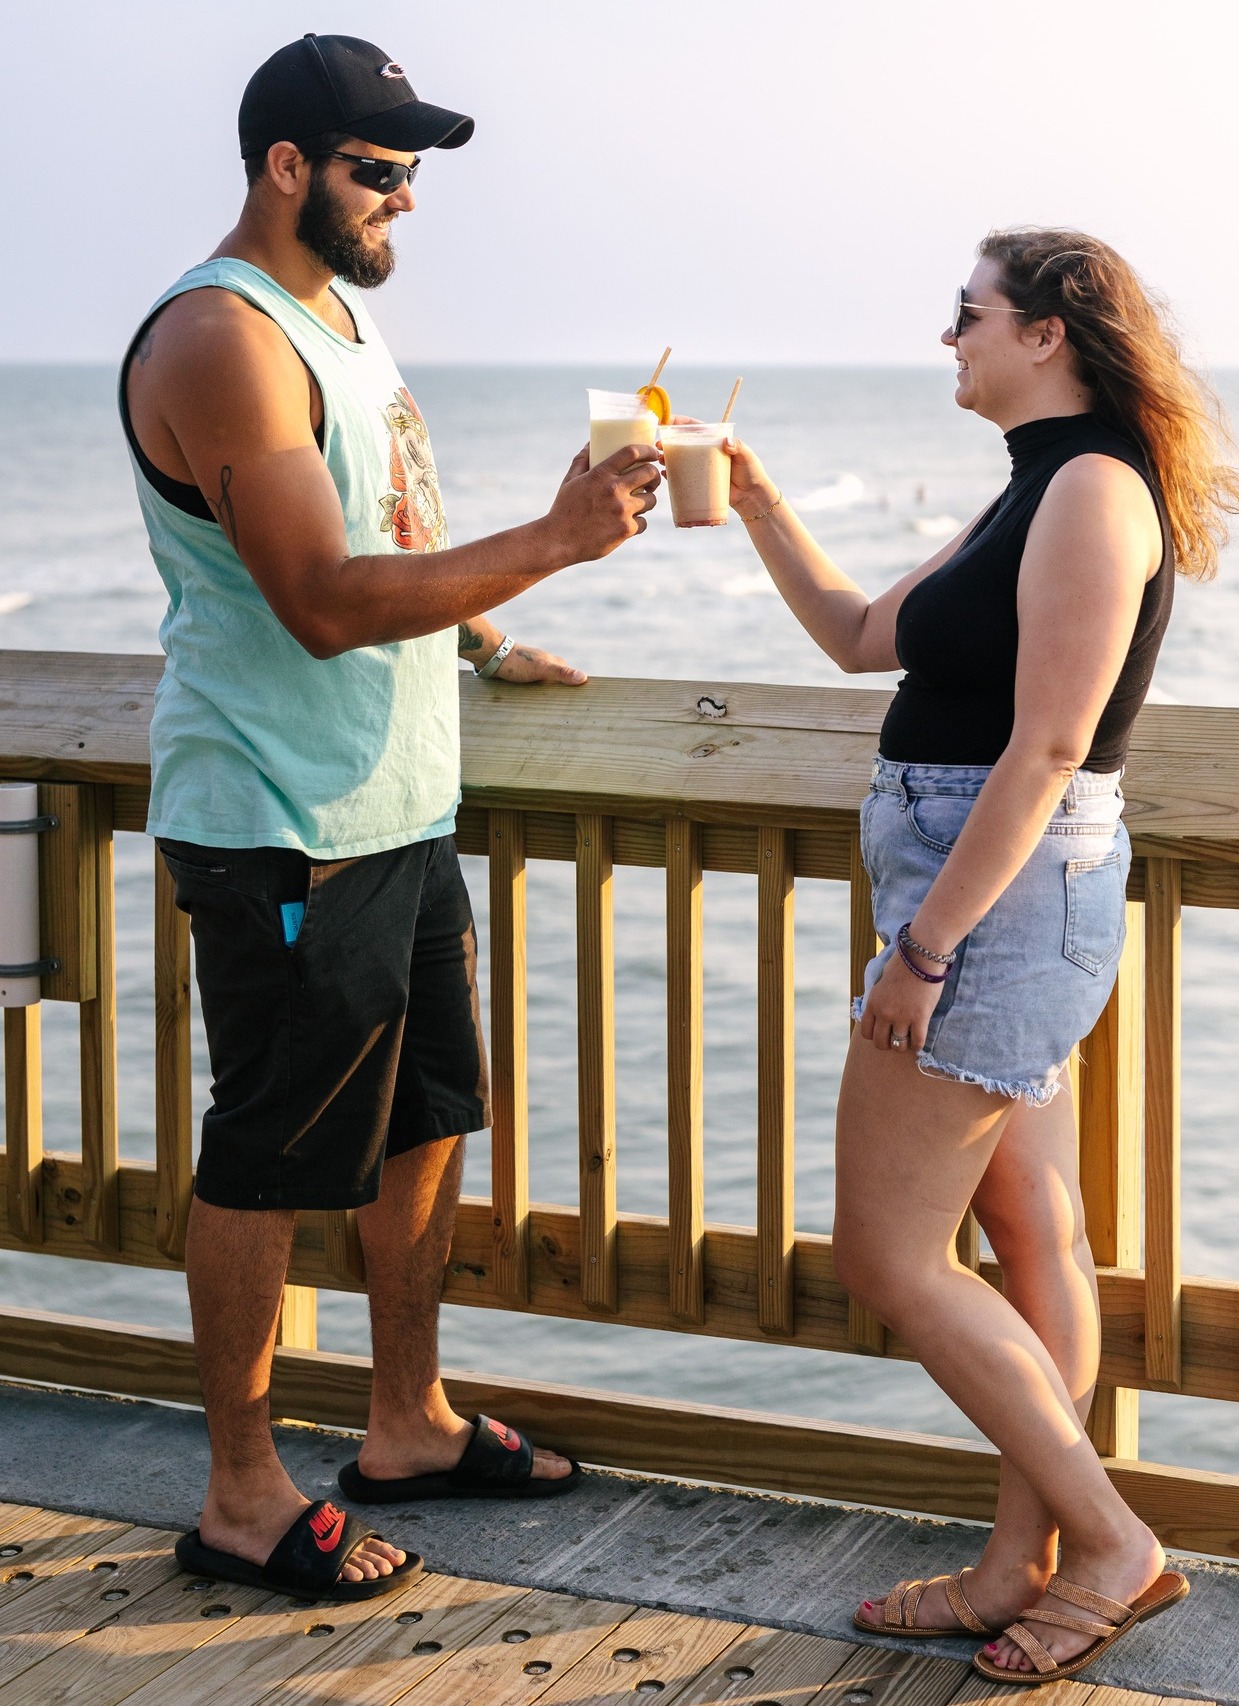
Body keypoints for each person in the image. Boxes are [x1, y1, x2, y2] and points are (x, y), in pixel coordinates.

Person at [119, 33, 662, 1601]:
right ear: (284, 165)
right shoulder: (222, 337)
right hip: (281, 817)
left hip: (397, 804)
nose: (402, 203)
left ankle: (406, 1420)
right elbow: (316, 597)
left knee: (425, 1123)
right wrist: (554, 541)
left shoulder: (336, 321)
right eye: (376, 171)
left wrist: (490, 637)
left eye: (413, 176)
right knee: (269, 1154)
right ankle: (237, 1491)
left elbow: (384, 528)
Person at [719, 228, 1239, 1683]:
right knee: (1030, 1235)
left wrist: (925, 944)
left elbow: (1049, 745)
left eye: (966, 315)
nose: (944, 336)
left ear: (1046, 333)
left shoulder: (1089, 490)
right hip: (975, 874)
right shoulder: (1027, 486)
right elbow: (851, 635)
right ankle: (1019, 1560)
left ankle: (1106, 1540)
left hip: (995, 895)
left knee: (886, 1252)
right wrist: (756, 491)